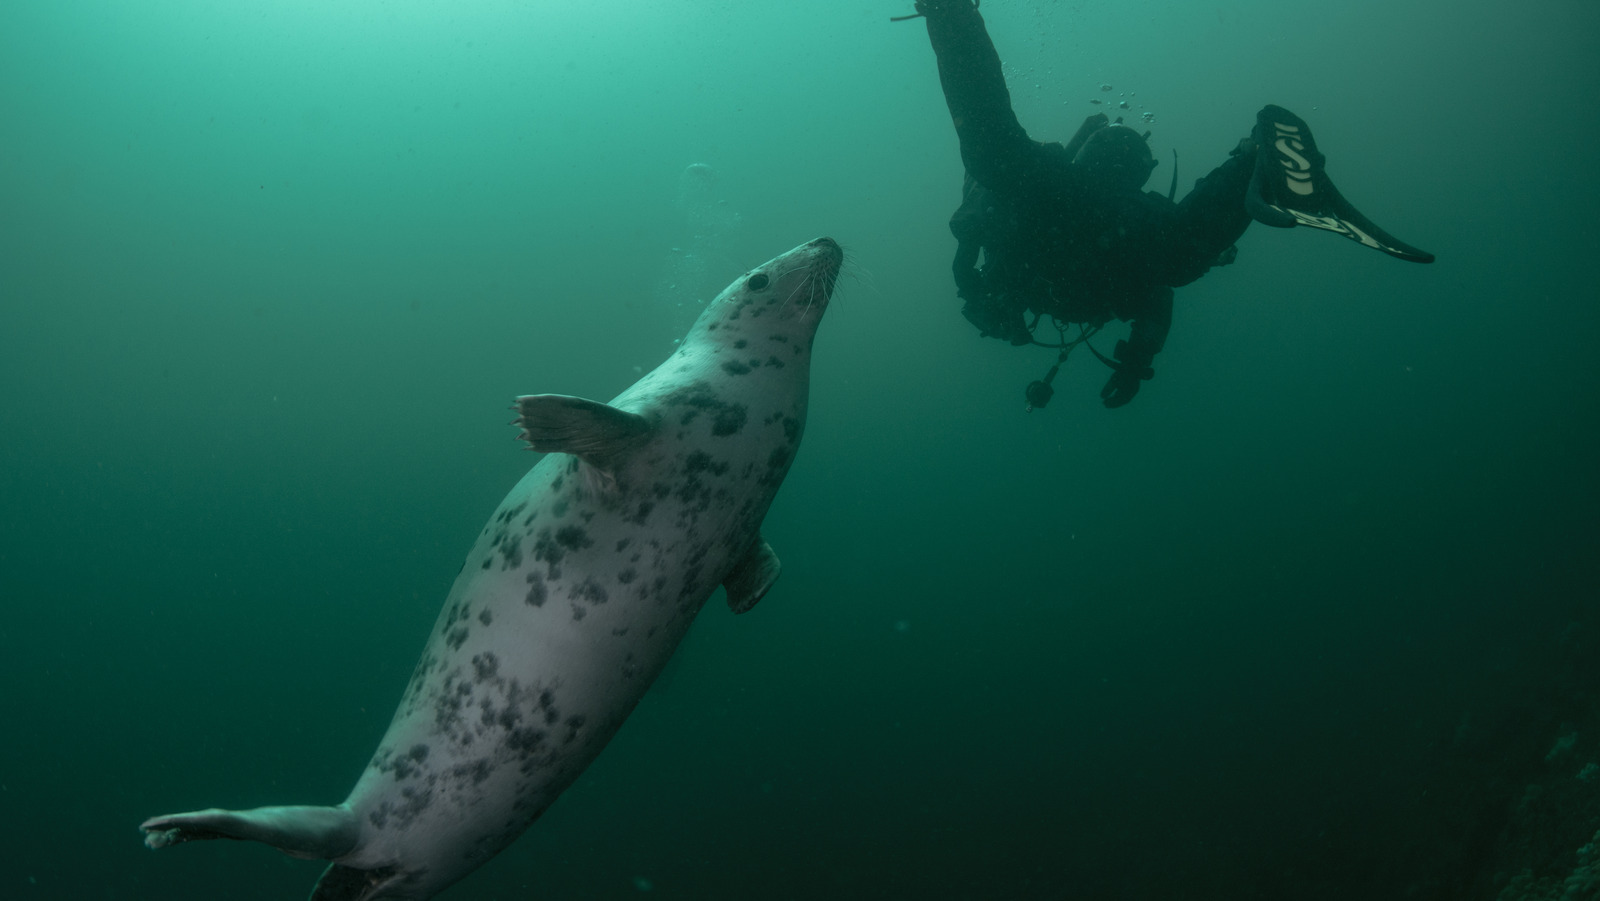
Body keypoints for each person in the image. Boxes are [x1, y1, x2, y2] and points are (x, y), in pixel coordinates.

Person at [903, 0, 1434, 409]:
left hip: (1063, 203)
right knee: (1178, 250)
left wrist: (1133, 361)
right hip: (1107, 221)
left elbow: (976, 224)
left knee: (995, 159)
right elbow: (1159, 293)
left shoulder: (1012, 256)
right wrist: (1134, 364)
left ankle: (950, 12)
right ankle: (1256, 161)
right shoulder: (1127, 241)